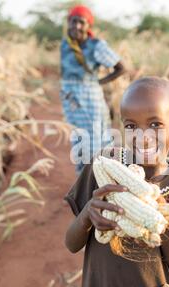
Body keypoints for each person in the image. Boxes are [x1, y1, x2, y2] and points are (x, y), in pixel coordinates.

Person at [64, 77, 169, 287]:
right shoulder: (104, 166)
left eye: (155, 124)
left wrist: (162, 220)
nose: (142, 138)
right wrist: (87, 215)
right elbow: (71, 244)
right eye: (131, 126)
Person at [60, 5, 125, 174]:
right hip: (71, 101)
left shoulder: (96, 46)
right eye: (74, 22)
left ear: (89, 26)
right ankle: (84, 187)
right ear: (69, 23)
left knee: (95, 143)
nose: (77, 26)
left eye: (82, 22)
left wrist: (97, 82)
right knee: (79, 142)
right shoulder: (65, 45)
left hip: (90, 101)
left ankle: (99, 182)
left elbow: (121, 68)